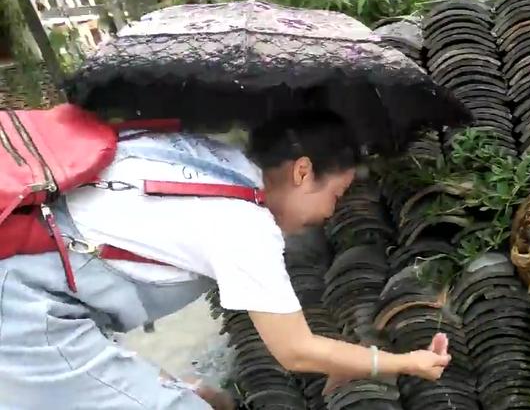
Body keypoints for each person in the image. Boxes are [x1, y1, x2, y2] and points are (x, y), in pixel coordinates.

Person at [0, 110, 451, 409]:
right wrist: (407, 363)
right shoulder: (243, 223)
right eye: (335, 194)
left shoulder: (207, 154)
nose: (331, 212)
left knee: (211, 399)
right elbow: (296, 351)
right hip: (26, 317)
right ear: (302, 171)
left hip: (41, 288)